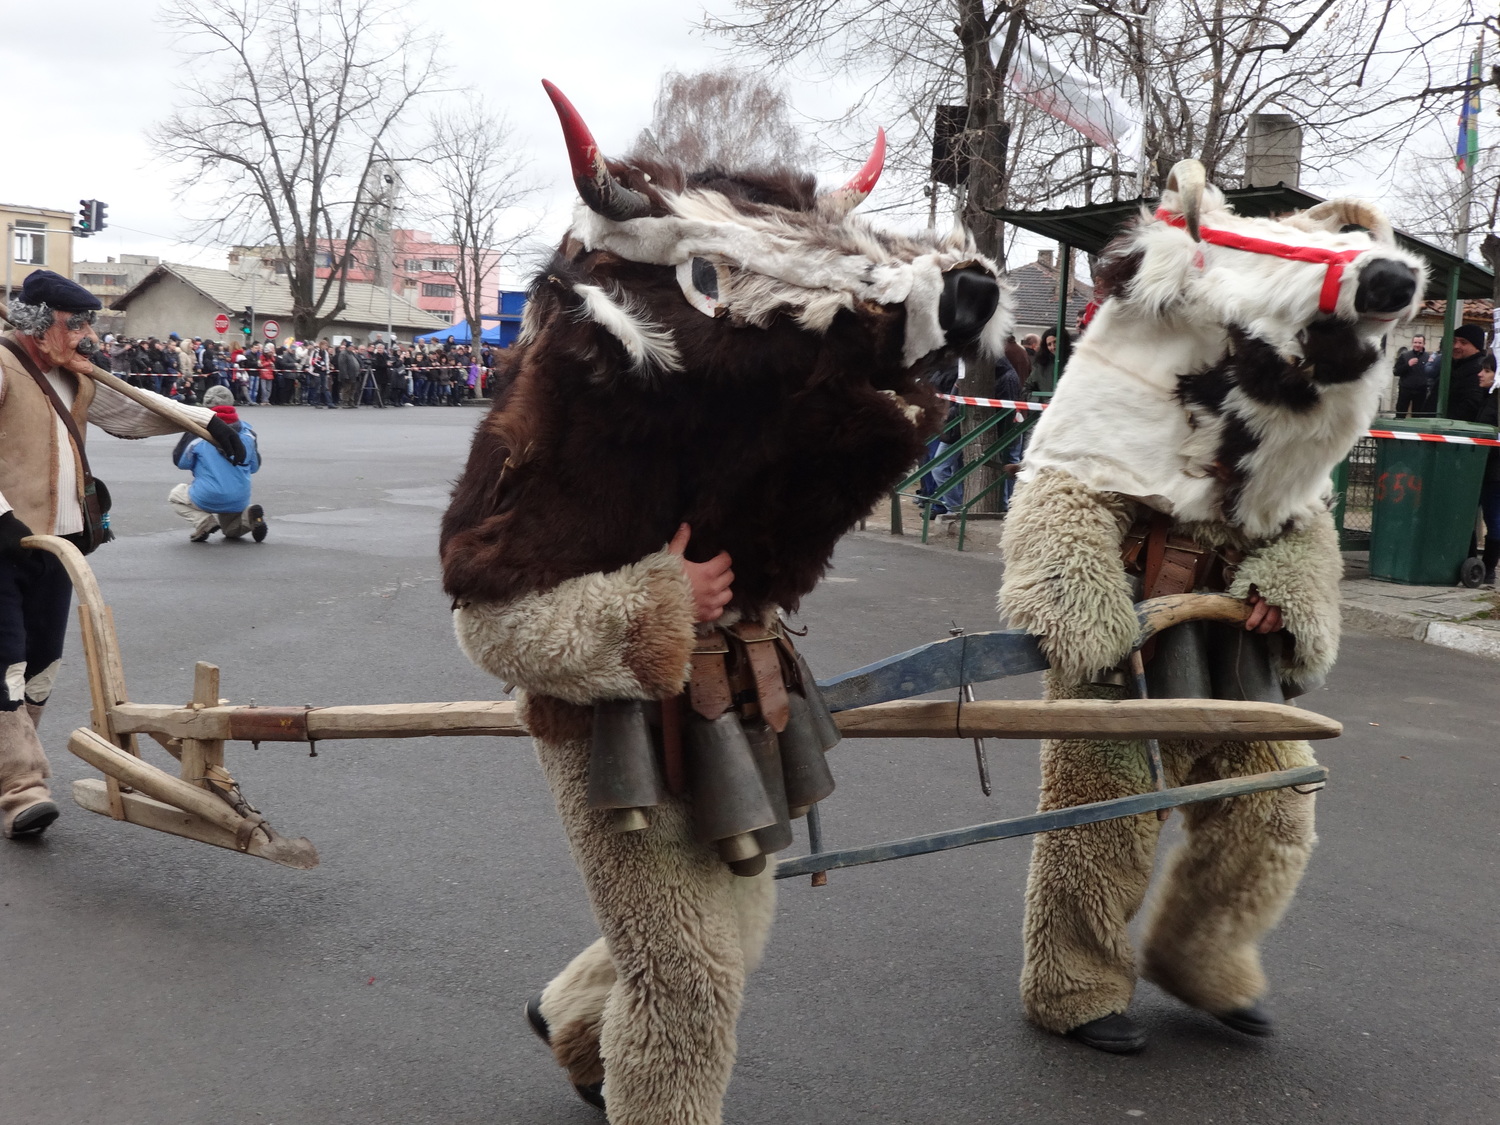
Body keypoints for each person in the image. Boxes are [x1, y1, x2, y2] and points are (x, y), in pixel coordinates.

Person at [0, 271, 244, 839]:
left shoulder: (71, 372)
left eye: (89, 322)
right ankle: (21, 790)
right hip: (4, 543)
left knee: (40, 669)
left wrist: (208, 423)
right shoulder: (4, 365)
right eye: (75, 323)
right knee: (5, 666)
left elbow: (132, 409)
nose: (86, 333)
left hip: (58, 544)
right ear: (39, 323)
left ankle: (12, 772)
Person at [169, 386, 266, 543]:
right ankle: (249, 516)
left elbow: (181, 462)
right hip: (239, 497)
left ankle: (204, 522)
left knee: (175, 496)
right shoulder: (248, 434)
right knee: (231, 531)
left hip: (207, 495)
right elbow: (254, 467)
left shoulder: (197, 433)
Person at [1444, 327, 1499, 586]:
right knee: (1466, 514)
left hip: (1494, 471)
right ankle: (1470, 563)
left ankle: (1488, 568)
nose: (1481, 373)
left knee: (1494, 519)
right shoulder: (1489, 398)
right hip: (1477, 467)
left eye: (1487, 371)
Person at [1393, 333, 1438, 416]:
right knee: (1400, 413)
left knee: (1418, 415)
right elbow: (1396, 372)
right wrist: (1408, 365)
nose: (1417, 345)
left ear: (1424, 344)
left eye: (1420, 343)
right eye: (1415, 342)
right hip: (1405, 390)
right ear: (1412, 343)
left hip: (1421, 391)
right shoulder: (1405, 356)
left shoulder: (1428, 357)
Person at [335, 341, 362, 408]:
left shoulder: (352, 353)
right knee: (347, 389)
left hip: (354, 375)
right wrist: (345, 375)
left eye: (352, 347)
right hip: (348, 375)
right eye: (350, 347)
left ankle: (351, 401)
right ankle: (345, 402)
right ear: (347, 347)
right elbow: (342, 365)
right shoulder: (343, 354)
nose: (352, 348)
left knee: (353, 389)